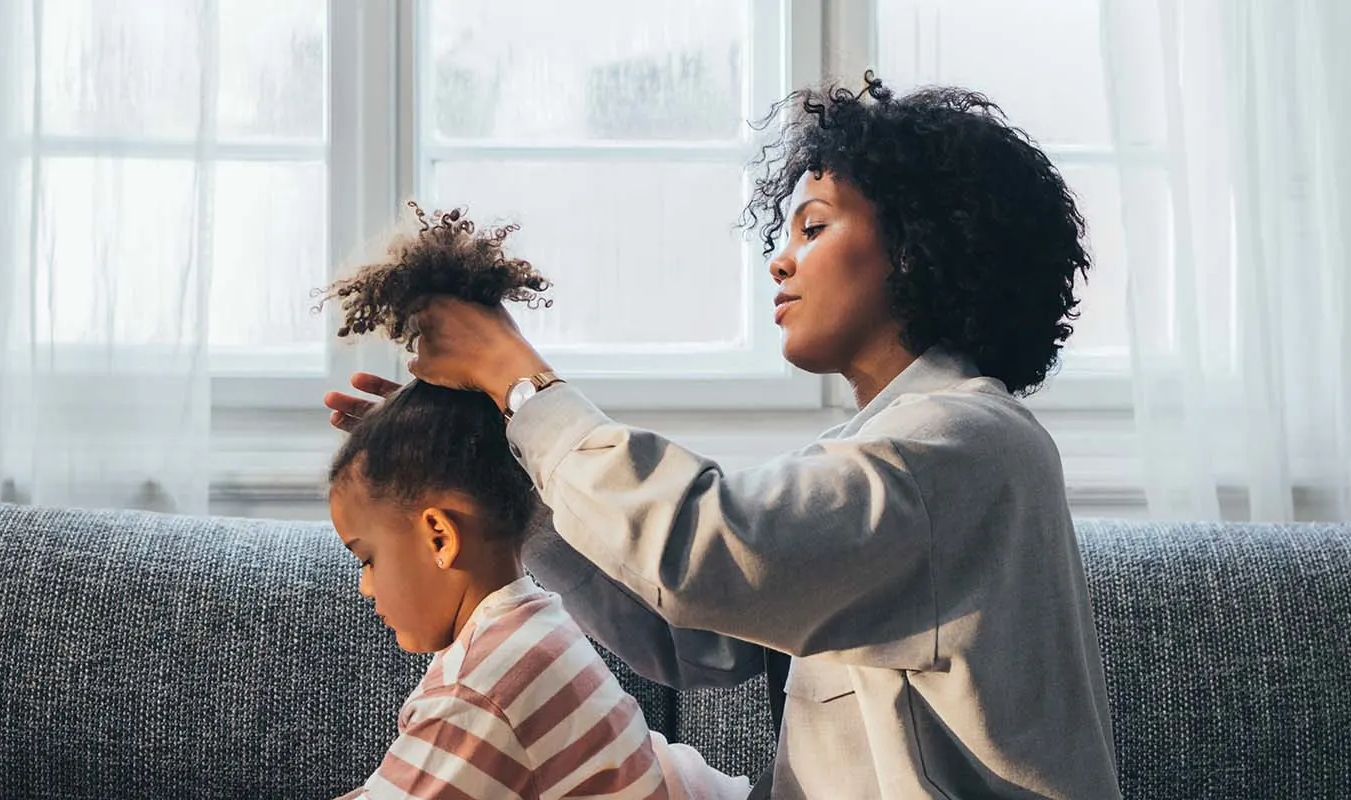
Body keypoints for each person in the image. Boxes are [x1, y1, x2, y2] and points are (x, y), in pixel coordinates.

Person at [327, 75, 1123, 797]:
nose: (780, 262)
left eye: (813, 227)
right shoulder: (888, 451)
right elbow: (691, 636)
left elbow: (704, 553)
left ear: (918, 247)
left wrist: (517, 376)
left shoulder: (963, 444)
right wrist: (498, 486)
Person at [324, 206, 747, 799]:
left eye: (365, 558)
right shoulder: (538, 629)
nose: (365, 587)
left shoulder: (482, 688)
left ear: (441, 536)